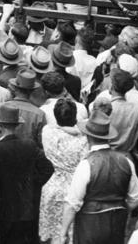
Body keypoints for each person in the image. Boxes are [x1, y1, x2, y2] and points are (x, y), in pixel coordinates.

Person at [60, 110, 138, 244]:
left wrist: (63, 233)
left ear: (88, 137)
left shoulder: (86, 165)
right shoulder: (126, 161)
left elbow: (72, 204)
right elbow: (137, 198)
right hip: (117, 223)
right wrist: (119, 209)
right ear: (108, 136)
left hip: (89, 225)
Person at [0, 104, 54, 244]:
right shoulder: (29, 145)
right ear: (17, 125)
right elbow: (48, 168)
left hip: (2, 210)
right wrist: (32, 184)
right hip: (27, 208)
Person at [39, 98, 87, 244]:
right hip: (74, 186)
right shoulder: (83, 139)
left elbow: (55, 126)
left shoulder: (47, 132)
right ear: (75, 116)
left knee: (52, 233)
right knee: (71, 232)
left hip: (52, 184)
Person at [0, 69, 47, 146]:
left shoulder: (0, 108)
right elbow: (41, 143)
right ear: (32, 91)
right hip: (29, 156)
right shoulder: (39, 115)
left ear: (14, 88)